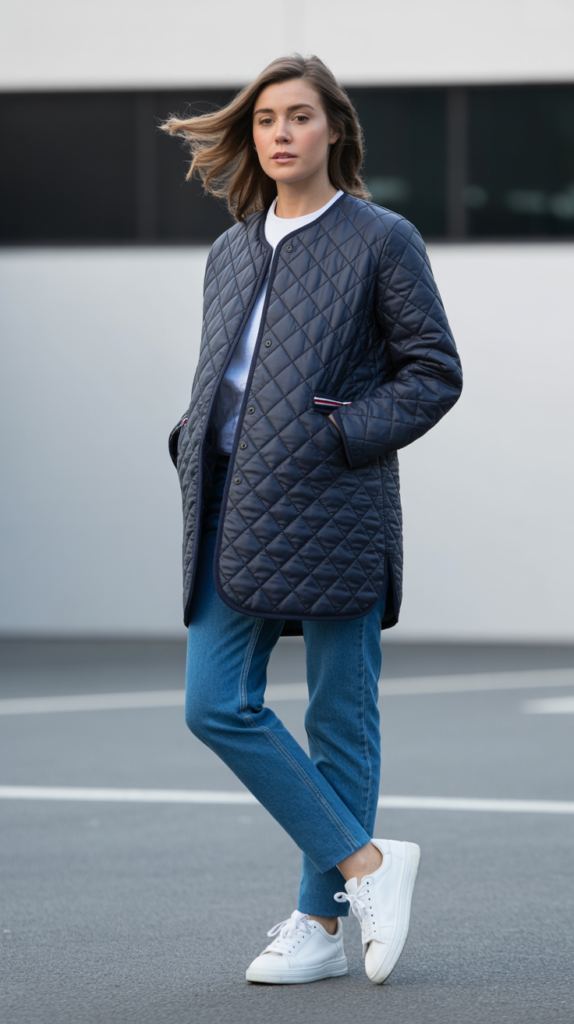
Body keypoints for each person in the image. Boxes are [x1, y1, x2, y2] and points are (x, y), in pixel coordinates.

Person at [163, 54, 462, 986]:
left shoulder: (382, 239)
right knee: (214, 704)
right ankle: (367, 862)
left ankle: (319, 924)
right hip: (230, 501)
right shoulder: (230, 249)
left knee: (340, 714)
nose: (280, 132)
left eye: (299, 116)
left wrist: (337, 437)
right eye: (265, 119)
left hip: (336, 502)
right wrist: (191, 435)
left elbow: (433, 372)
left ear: (335, 129)